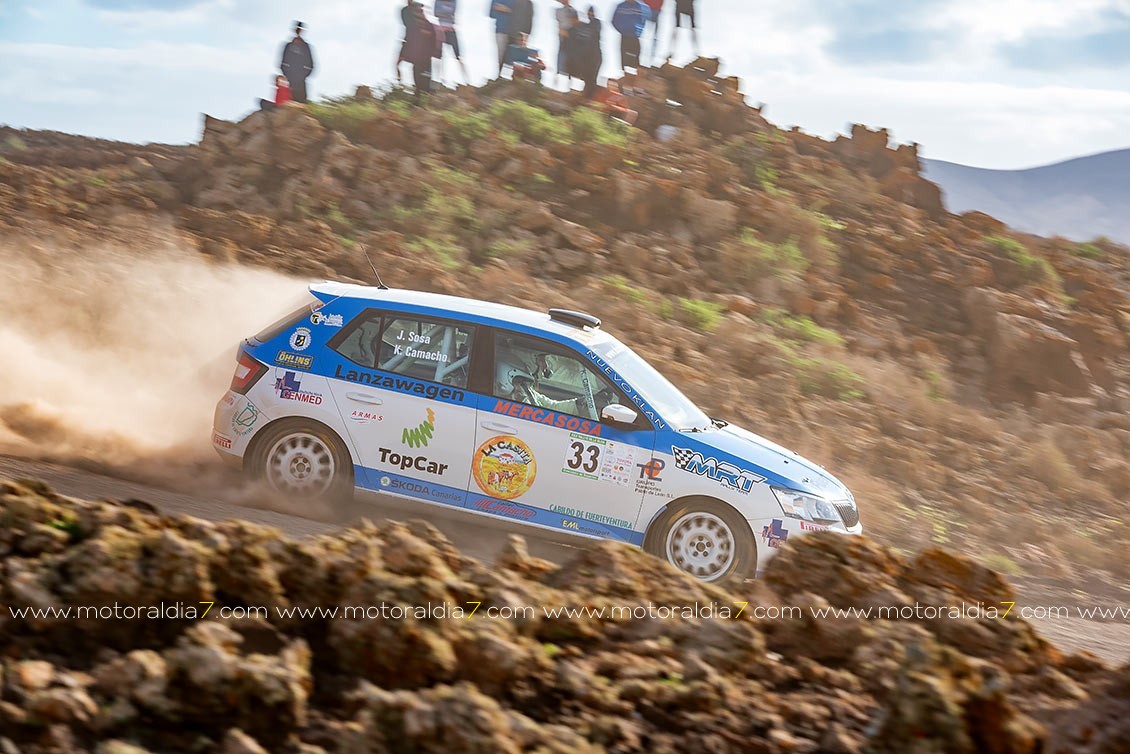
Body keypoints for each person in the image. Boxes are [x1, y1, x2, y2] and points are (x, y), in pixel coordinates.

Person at [403, 3, 440, 103]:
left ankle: (425, 103)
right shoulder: (412, 26)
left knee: (427, 83)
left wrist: (434, 52)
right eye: (417, 11)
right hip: (417, 60)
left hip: (427, 60)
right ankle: (417, 104)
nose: (420, 12)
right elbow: (405, 13)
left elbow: (433, 40)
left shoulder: (428, 25)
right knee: (419, 84)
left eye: (421, 10)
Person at [568, 6, 603, 98]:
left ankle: (589, 98)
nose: (590, 15)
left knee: (591, 80)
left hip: (595, 57)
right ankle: (582, 96)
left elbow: (595, 31)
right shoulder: (580, 28)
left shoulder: (596, 23)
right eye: (589, 13)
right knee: (585, 78)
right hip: (585, 58)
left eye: (592, 14)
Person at [434, 0, 470, 85]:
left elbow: (453, 12)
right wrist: (446, 13)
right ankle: (438, 81)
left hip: (451, 29)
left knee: (458, 55)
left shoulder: (454, 1)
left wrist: (444, 12)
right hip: (441, 29)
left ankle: (466, 81)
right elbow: (436, 13)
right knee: (439, 55)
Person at [279, 21, 315, 103]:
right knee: (291, 100)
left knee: (302, 101)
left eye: (300, 29)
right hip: (291, 79)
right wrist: (288, 75)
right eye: (297, 29)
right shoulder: (288, 46)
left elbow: (311, 64)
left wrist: (304, 75)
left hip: (301, 80)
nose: (298, 31)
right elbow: (282, 63)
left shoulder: (305, 46)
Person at [611, 0, 650, 74]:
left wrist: (638, 32)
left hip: (635, 37)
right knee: (625, 61)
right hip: (624, 37)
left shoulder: (640, 6)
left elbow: (644, 20)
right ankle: (624, 77)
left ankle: (635, 79)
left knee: (635, 60)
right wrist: (622, 30)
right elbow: (613, 20)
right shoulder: (620, 6)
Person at [555, 0, 579, 88]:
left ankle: (570, 84)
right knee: (561, 58)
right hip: (563, 38)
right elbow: (560, 27)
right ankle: (556, 81)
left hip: (572, 39)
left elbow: (576, 23)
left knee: (571, 61)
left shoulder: (573, 11)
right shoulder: (558, 11)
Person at [489, 0, 515, 74]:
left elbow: (520, 13)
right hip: (500, 30)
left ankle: (512, 78)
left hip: (514, 31)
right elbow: (491, 14)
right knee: (500, 54)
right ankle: (499, 76)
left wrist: (508, 10)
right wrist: (498, 9)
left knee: (512, 55)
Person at [395, 0, 415, 83]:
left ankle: (418, 87)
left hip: (416, 41)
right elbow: (407, 23)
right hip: (409, 39)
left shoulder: (417, 9)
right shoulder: (405, 10)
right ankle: (400, 84)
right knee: (398, 63)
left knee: (418, 65)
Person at [643, 0, 663, 65]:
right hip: (650, 11)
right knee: (651, 34)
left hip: (651, 11)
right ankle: (649, 54)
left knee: (649, 34)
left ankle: (651, 55)